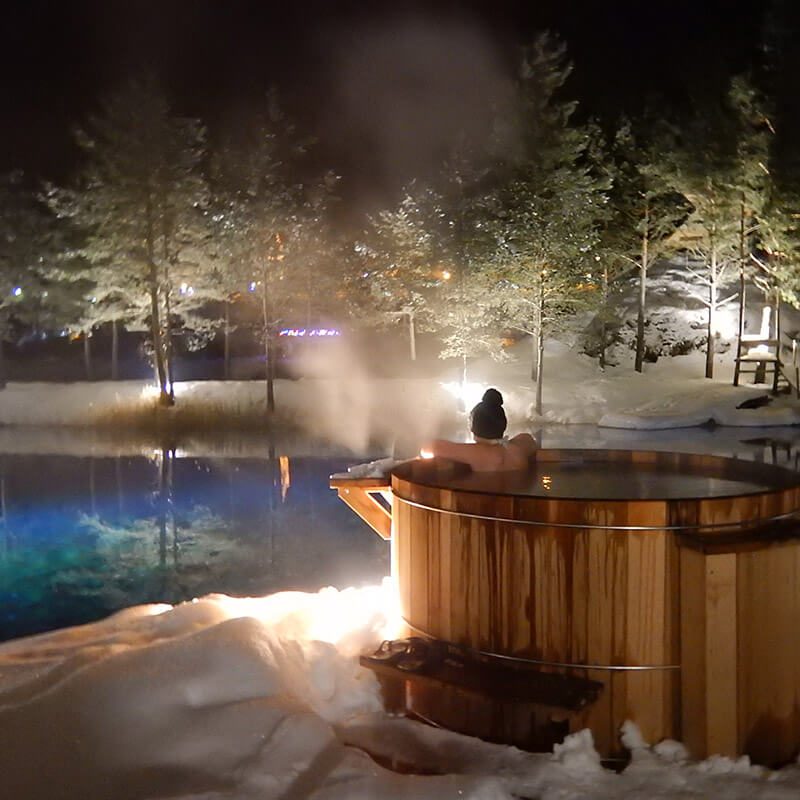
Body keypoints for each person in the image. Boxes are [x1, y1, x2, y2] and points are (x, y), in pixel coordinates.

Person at [423, 388, 538, 472]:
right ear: (504, 424)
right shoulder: (519, 448)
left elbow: (429, 447)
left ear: (473, 426)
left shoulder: (476, 453)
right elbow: (529, 440)